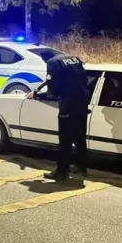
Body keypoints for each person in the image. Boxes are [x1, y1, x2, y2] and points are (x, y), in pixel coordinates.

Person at [43, 53, 90, 182]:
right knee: (80, 138)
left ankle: (62, 171)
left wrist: (51, 94)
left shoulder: (52, 62)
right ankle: (82, 167)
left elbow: (52, 85)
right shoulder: (74, 58)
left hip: (68, 105)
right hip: (82, 102)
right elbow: (85, 79)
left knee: (65, 141)